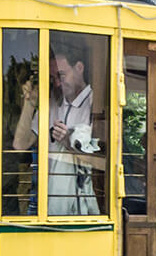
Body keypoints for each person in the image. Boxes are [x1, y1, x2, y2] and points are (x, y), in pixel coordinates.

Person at [17, 47, 103, 216]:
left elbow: (101, 160)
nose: (57, 83)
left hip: (81, 208)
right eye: (52, 78)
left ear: (79, 67)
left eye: (61, 75)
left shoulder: (97, 104)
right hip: (45, 201)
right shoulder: (52, 103)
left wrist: (68, 140)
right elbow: (20, 144)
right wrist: (29, 103)